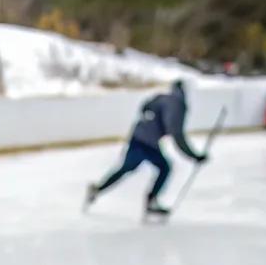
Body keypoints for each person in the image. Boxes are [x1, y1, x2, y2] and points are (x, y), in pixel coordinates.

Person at [84, 78, 207, 218]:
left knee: (127, 168)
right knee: (164, 167)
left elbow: (145, 106)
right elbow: (177, 134)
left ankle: (98, 189)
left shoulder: (162, 97)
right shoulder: (177, 105)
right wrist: (194, 156)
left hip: (137, 136)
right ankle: (151, 202)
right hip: (147, 142)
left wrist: (150, 123)